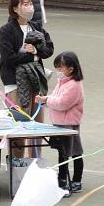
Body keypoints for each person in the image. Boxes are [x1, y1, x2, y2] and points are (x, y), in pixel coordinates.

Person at [0, 0, 54, 157]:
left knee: (37, 123)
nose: (30, 7)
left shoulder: (36, 27)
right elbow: (8, 58)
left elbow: (49, 49)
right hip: (15, 82)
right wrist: (31, 56)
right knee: (19, 124)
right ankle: (16, 162)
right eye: (25, 4)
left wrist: (37, 51)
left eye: (30, 3)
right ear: (15, 8)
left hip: (36, 82)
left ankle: (35, 161)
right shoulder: (7, 30)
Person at [35, 51, 85, 193]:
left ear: (71, 68)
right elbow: (56, 98)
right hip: (59, 123)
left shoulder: (75, 85)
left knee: (75, 152)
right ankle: (62, 178)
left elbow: (63, 103)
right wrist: (45, 99)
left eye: (61, 68)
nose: (58, 71)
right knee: (62, 152)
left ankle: (76, 180)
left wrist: (47, 100)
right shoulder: (62, 82)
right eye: (57, 68)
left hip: (69, 125)